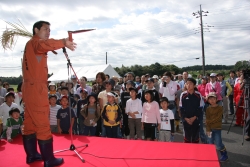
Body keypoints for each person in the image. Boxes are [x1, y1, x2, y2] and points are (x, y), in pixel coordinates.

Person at [21, 20, 76, 166]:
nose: (48, 32)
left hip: (30, 88)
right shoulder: (35, 43)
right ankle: (49, 159)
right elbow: (44, 44)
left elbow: (45, 45)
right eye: (46, 29)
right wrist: (64, 41)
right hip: (36, 88)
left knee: (30, 123)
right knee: (42, 123)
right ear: (36, 30)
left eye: (49, 30)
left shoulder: (31, 45)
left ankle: (32, 155)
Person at [206, 92, 228, 162]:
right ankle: (212, 155)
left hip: (217, 128)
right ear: (208, 100)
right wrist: (208, 129)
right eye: (210, 99)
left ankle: (224, 154)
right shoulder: (208, 109)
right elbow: (207, 119)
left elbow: (218, 118)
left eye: (213, 99)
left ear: (216, 99)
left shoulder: (220, 108)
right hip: (210, 129)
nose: (212, 100)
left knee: (218, 143)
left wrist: (209, 122)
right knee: (210, 143)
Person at [179, 78, 203, 143]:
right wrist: (185, 118)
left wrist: (194, 117)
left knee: (195, 137)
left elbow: (200, 108)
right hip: (186, 119)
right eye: (187, 83)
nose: (188, 85)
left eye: (190, 83)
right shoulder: (183, 95)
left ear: (194, 85)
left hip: (195, 119)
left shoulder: (198, 95)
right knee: (187, 137)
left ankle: (195, 152)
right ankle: (187, 151)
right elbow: (181, 108)